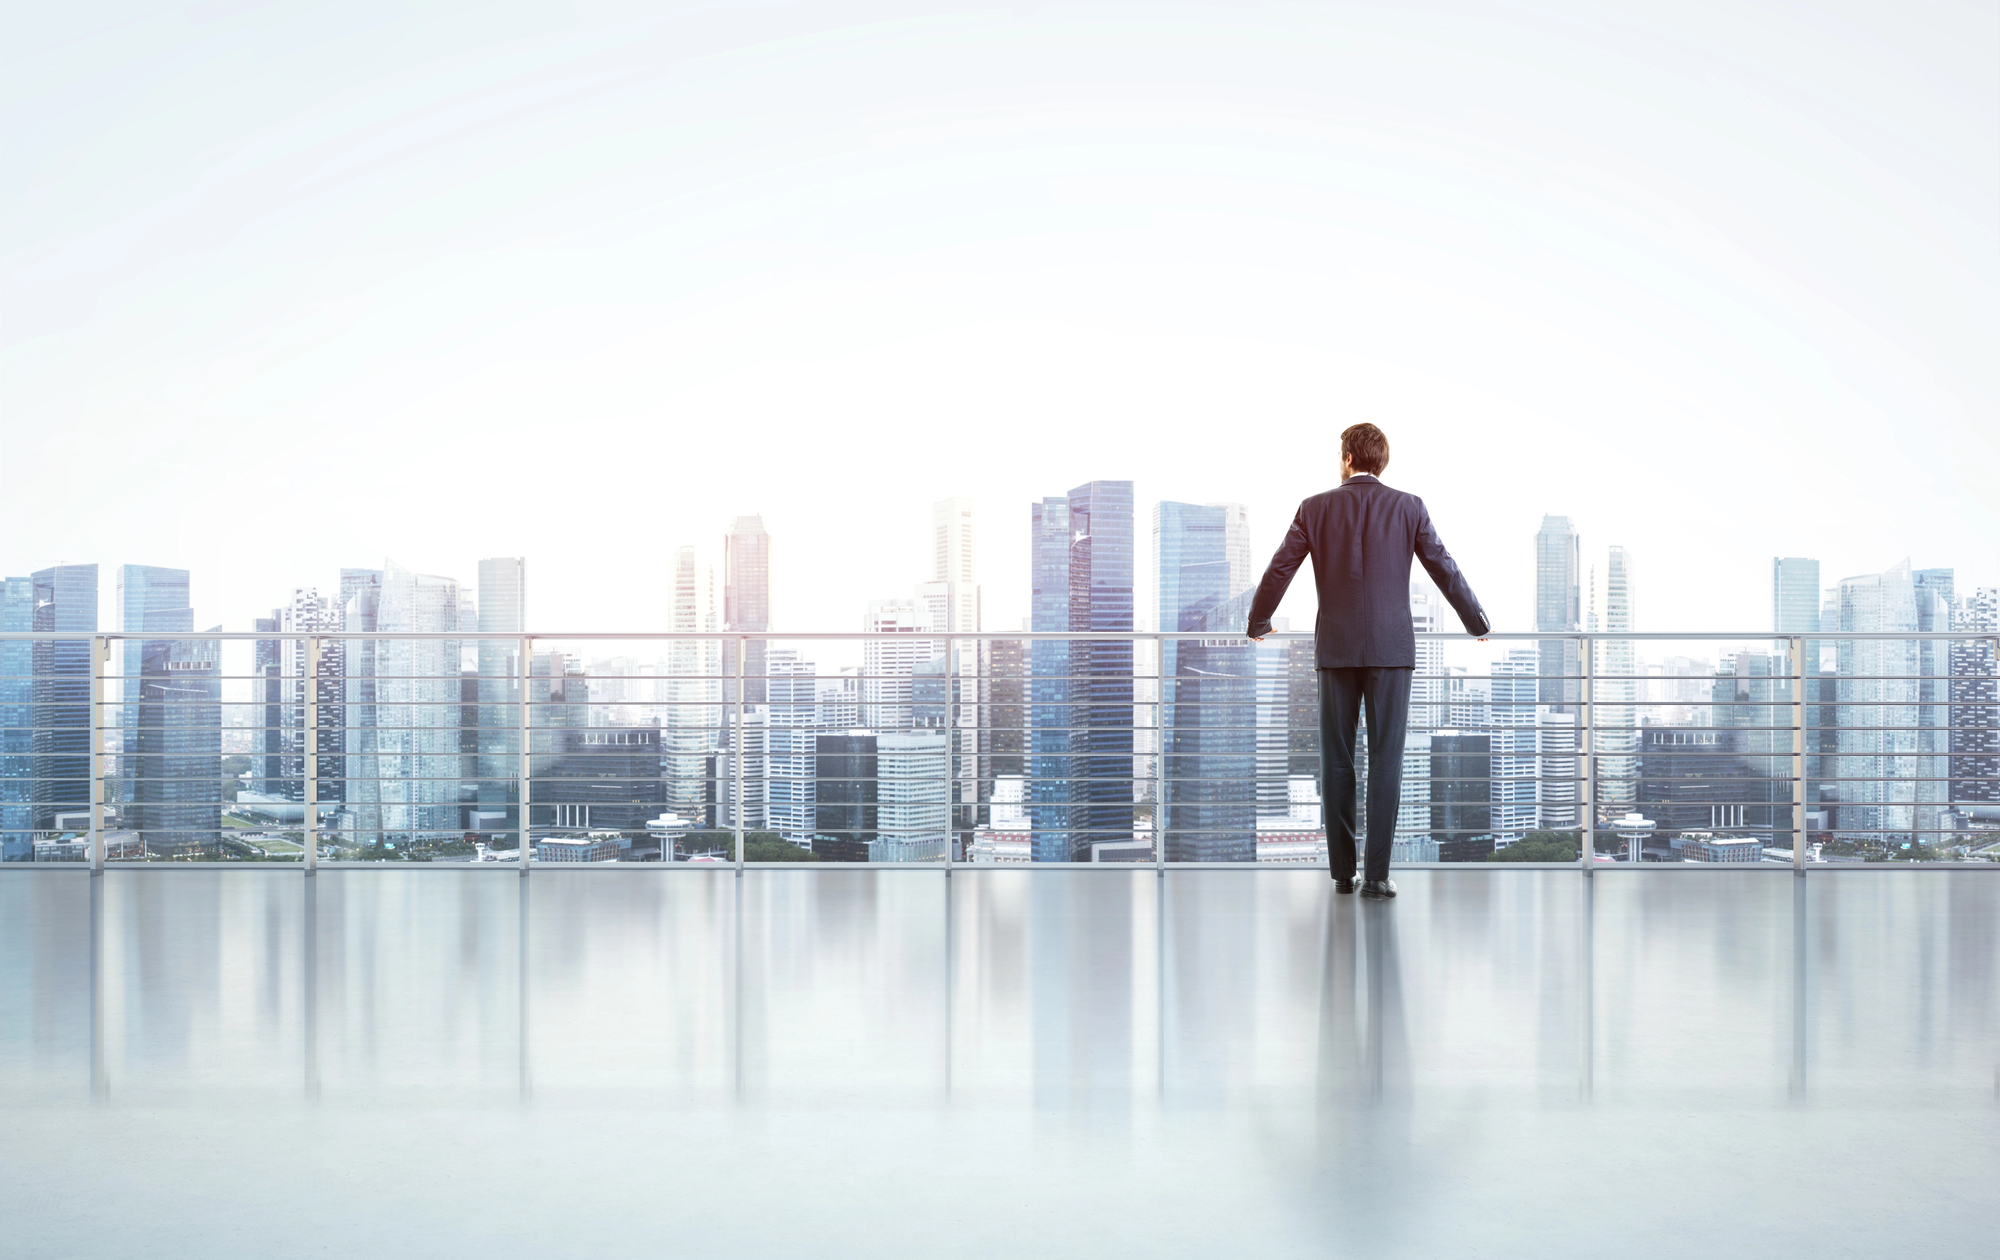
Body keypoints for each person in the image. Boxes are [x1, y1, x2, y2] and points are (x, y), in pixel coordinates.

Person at [1246, 423, 1489, 899]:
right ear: (1381, 461)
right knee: (1386, 761)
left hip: (1336, 650)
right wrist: (1475, 620)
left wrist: (1259, 621)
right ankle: (1376, 876)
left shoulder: (1314, 508)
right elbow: (1443, 564)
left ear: (1348, 459)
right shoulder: (1409, 507)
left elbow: (1280, 566)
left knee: (1336, 761)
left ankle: (1341, 874)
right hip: (1391, 650)